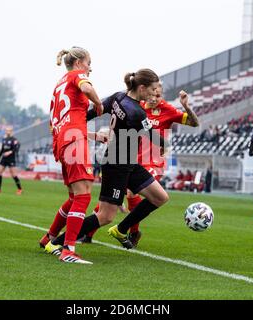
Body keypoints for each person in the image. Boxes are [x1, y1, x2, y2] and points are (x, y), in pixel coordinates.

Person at [48, 68, 170, 255]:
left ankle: (121, 230)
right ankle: (57, 242)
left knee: (160, 197)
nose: (155, 93)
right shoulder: (137, 112)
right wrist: (165, 144)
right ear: (143, 88)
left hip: (128, 162)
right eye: (153, 89)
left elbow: (91, 113)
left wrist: (72, 125)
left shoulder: (117, 97)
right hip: (117, 164)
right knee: (105, 216)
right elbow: (152, 135)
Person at [39, 47, 103, 264]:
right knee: (84, 194)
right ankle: (68, 250)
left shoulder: (59, 84)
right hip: (74, 140)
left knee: (74, 197)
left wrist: (92, 135)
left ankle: (48, 238)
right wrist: (99, 103)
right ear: (78, 63)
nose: (90, 67)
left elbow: (63, 119)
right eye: (88, 62)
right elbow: (86, 87)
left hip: (63, 141)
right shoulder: (77, 76)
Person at [0, 127, 23, 195]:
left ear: (11, 132)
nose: (7, 132)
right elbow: (2, 150)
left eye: (9, 131)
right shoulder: (4, 140)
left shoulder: (14, 140)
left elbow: (16, 148)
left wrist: (10, 152)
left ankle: (19, 189)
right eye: (6, 130)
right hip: (4, 158)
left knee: (13, 174)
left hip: (11, 159)